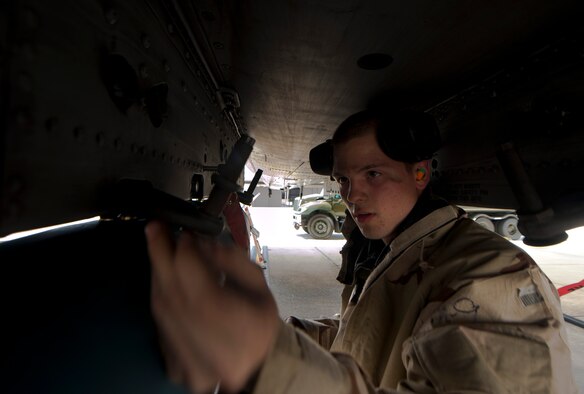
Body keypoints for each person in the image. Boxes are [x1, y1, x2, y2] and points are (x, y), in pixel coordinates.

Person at [144, 108, 577, 393]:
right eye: (344, 181)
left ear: (421, 173)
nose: (354, 196)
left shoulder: (488, 274)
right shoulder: (404, 250)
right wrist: (274, 333)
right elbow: (368, 336)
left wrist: (270, 361)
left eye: (373, 174)